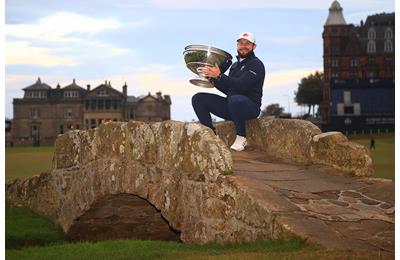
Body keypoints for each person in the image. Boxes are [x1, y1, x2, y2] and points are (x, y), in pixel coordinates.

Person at [191, 32, 265, 151]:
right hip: (232, 106)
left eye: (248, 43)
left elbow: (242, 86)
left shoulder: (256, 64)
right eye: (241, 43)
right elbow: (229, 89)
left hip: (250, 108)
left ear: (253, 46)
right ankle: (211, 135)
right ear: (237, 45)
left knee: (235, 100)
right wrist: (213, 79)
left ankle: (241, 137)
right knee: (198, 98)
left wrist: (220, 75)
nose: (244, 46)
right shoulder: (235, 66)